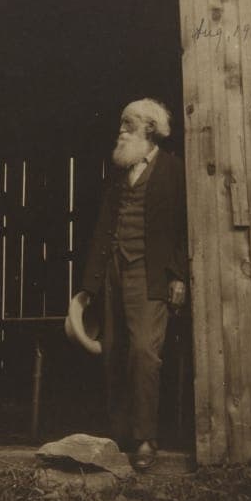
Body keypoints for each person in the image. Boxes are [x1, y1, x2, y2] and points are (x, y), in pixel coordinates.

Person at [80, 98, 187, 470]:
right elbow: (102, 229)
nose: (120, 131)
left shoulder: (174, 170)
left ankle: (145, 439)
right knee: (113, 350)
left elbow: (185, 228)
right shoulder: (118, 172)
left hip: (149, 273)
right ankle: (120, 435)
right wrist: (89, 286)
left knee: (143, 351)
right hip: (113, 271)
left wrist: (178, 276)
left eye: (128, 124)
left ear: (150, 129)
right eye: (121, 124)